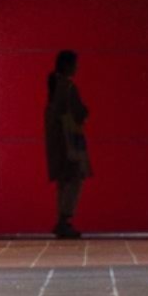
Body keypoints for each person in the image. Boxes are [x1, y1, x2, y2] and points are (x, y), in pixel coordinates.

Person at [44, 49, 91, 239]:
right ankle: (65, 220)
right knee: (75, 179)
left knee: (64, 181)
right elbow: (79, 113)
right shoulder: (68, 87)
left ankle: (62, 220)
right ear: (67, 65)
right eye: (75, 63)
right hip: (70, 140)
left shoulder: (55, 87)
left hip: (58, 141)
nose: (77, 67)